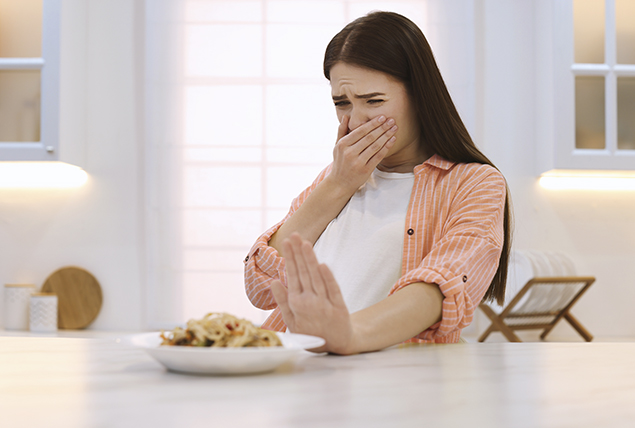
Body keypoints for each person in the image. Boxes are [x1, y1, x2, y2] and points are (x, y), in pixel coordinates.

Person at [244, 11, 512, 355]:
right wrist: (338, 185)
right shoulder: (333, 178)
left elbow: (439, 288)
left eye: (374, 101)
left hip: (394, 383)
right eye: (342, 103)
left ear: (419, 95)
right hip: (302, 371)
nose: (355, 121)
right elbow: (260, 287)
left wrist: (346, 335)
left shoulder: (475, 183)